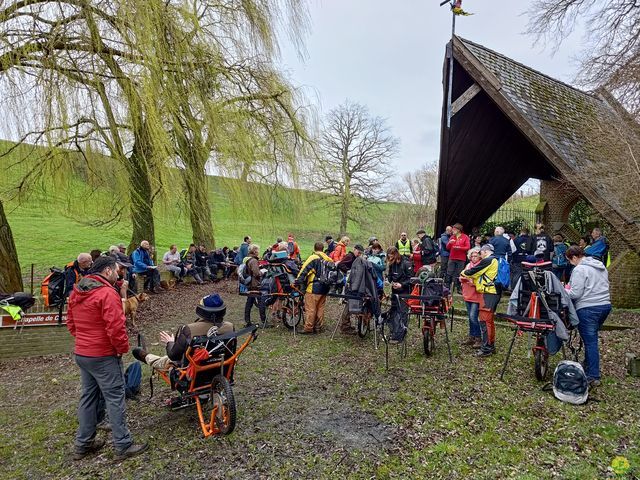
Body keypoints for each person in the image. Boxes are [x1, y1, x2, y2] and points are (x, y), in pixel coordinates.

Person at [66, 256, 147, 461]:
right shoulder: (105, 293)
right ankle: (123, 444)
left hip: (83, 353)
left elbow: (71, 324)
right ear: (108, 271)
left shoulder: (78, 290)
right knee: (115, 397)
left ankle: (83, 444)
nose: (119, 274)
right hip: (103, 354)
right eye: (117, 270)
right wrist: (121, 349)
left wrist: (85, 340)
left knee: (88, 397)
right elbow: (116, 326)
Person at [132, 294, 234, 373]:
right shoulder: (230, 327)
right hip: (220, 368)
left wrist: (170, 342)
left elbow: (173, 355)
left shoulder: (189, 329)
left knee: (164, 360)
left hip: (192, 370)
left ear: (202, 310)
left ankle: (147, 357)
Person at [565, 246, 612, 387]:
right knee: (590, 338)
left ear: (574, 257)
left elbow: (575, 293)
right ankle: (588, 365)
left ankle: (593, 375)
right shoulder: (599, 266)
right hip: (604, 305)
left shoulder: (580, 269)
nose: (570, 264)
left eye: (569, 261)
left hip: (588, 307)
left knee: (590, 342)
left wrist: (563, 290)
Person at [461, 244, 500, 357]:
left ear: (485, 251)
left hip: (488, 293)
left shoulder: (489, 260)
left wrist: (463, 273)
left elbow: (473, 272)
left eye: (480, 253)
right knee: (490, 321)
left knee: (484, 321)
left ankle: (486, 348)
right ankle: (491, 345)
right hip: (494, 293)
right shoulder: (496, 260)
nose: (479, 255)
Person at [295, 242, 334, 334]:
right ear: (323, 248)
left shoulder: (313, 258)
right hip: (325, 287)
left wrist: (297, 281)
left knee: (310, 308)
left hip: (313, 287)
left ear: (314, 248)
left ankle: (308, 328)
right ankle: (318, 327)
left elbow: (304, 270)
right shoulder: (328, 259)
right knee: (320, 307)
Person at [386, 247, 413, 343]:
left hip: (404, 291)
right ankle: (394, 331)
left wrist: (402, 284)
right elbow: (389, 276)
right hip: (394, 291)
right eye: (389, 257)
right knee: (394, 311)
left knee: (402, 312)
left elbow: (411, 279)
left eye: (392, 256)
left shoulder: (406, 263)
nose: (390, 259)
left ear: (396, 255)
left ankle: (401, 334)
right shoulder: (391, 264)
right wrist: (392, 282)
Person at [459, 247, 482, 348]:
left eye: (476, 256)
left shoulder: (481, 266)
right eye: (472, 256)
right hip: (467, 294)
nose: (474, 258)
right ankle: (471, 336)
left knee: (473, 316)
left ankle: (478, 337)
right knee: (470, 317)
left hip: (476, 295)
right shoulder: (468, 265)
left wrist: (472, 282)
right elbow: (462, 274)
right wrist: (462, 278)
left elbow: (480, 281)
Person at [243, 244, 267, 328]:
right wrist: (262, 272)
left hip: (250, 284)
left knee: (249, 302)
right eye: (257, 250)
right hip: (255, 284)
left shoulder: (247, 259)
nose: (258, 251)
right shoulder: (253, 261)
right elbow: (256, 273)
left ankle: (247, 321)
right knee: (261, 302)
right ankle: (264, 322)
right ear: (254, 251)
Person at [445, 223, 470, 292]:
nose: (452, 230)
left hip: (461, 258)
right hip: (452, 257)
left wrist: (459, 248)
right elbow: (447, 247)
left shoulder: (465, 237)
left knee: (459, 273)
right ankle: (447, 287)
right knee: (449, 272)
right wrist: (449, 243)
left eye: (454, 229)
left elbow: (468, 247)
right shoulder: (452, 237)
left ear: (458, 230)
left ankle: (459, 288)